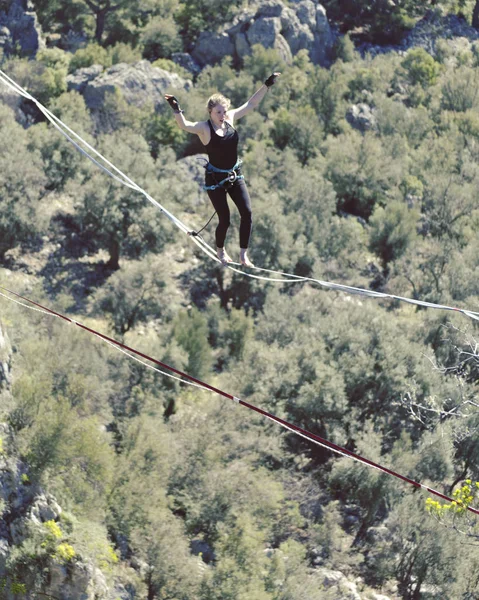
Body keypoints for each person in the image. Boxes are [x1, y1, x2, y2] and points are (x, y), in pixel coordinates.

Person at [165, 72, 281, 267]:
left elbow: (251, 104)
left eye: (224, 111)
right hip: (215, 180)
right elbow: (184, 125)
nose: (223, 115)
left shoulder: (231, 118)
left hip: (234, 175)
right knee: (225, 219)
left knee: (247, 213)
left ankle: (243, 255)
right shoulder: (204, 128)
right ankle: (221, 250)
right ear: (210, 112)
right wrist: (176, 109)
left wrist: (266, 85)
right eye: (219, 112)